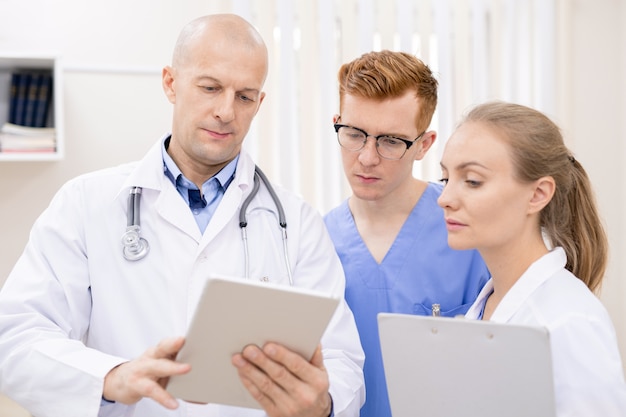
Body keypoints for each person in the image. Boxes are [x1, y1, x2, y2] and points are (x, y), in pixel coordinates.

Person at [0, 14, 365, 417]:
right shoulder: (85, 204)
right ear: (171, 83)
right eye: (210, 88)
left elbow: (342, 360)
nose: (226, 111)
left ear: (260, 103)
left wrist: (323, 404)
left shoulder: (297, 224)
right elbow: (17, 335)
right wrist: (110, 377)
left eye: (245, 96)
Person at [323, 50, 490, 417]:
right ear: (337, 123)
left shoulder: (468, 235)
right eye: (354, 134)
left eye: (391, 141)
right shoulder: (315, 244)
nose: (367, 157)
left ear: (424, 145)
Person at [437, 101, 626, 416]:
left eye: (472, 181)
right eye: (445, 179)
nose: (444, 199)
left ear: (538, 194)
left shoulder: (570, 323)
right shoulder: (484, 306)